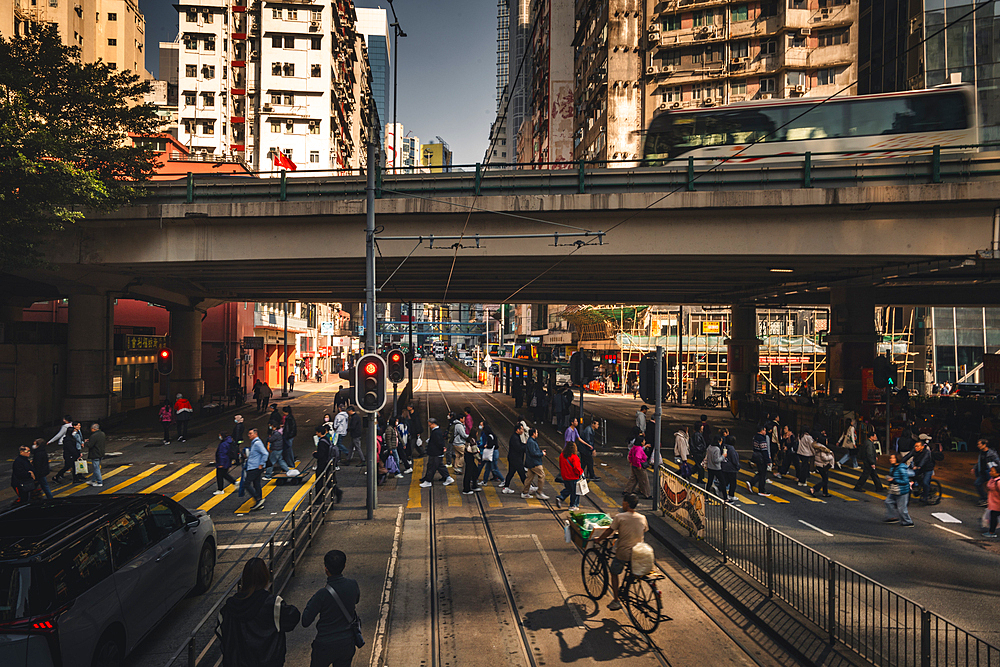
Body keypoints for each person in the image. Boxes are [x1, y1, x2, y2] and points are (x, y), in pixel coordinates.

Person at [219, 557, 300, 667]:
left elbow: (223, 635)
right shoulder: (272, 604)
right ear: (265, 577)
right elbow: (293, 617)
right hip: (269, 661)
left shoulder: (230, 607)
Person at [302, 550, 362, 667]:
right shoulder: (353, 584)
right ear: (344, 566)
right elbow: (356, 600)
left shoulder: (322, 594)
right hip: (346, 643)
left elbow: (305, 620)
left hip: (324, 646)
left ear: (326, 568)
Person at [594, 493, 649, 611]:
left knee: (614, 572)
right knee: (631, 572)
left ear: (626, 503)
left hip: (624, 553)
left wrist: (599, 539)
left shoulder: (620, 517)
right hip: (639, 553)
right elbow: (642, 530)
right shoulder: (642, 517)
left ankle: (616, 601)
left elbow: (609, 531)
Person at [419, 418, 454, 487]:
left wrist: (442, 448)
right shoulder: (437, 431)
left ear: (433, 424)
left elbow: (439, 442)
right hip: (436, 452)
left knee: (432, 467)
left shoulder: (436, 432)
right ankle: (448, 478)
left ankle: (428, 481)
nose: (429, 427)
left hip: (435, 453)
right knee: (439, 466)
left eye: (430, 425)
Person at [884, 453, 914, 527]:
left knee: (902, 508)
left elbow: (905, 481)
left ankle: (908, 522)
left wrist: (894, 480)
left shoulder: (901, 468)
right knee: (888, 502)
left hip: (902, 490)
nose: (890, 459)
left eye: (892, 458)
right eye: (890, 458)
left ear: (897, 459)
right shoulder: (893, 467)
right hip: (894, 490)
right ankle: (893, 517)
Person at [902, 435, 935, 503]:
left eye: (917, 446)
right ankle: (918, 488)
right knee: (913, 477)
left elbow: (924, 460)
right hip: (918, 467)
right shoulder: (914, 450)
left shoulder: (927, 452)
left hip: (927, 469)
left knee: (925, 482)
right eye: (915, 446)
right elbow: (908, 456)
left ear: (922, 447)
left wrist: (919, 466)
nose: (916, 448)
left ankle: (925, 497)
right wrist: (899, 463)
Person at [522, 428, 550, 500]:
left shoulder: (531, 441)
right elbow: (533, 453)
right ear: (534, 434)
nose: (537, 434)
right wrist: (541, 453)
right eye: (537, 432)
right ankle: (539, 492)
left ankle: (525, 492)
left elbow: (534, 451)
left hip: (531, 462)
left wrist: (540, 451)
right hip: (535, 463)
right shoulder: (531, 442)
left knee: (529, 478)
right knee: (542, 476)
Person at [245, 429, 268, 511]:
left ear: (255, 434)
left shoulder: (257, 443)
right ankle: (259, 503)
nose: (249, 435)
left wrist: (261, 464)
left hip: (254, 467)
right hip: (254, 467)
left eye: (250, 433)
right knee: (256, 484)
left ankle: (258, 499)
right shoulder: (255, 443)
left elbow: (265, 453)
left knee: (246, 483)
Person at [556, 441, 583, 510]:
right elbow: (577, 468)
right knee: (575, 492)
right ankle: (573, 505)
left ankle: (561, 497)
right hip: (573, 477)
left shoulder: (562, 455)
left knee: (568, 489)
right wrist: (581, 473)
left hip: (565, 476)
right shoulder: (575, 457)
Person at [973, 439, 1000, 507]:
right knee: (977, 483)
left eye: (979, 444)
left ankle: (990, 500)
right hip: (983, 472)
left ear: (984, 445)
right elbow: (979, 461)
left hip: (990, 472)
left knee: (993, 487)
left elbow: (998, 463)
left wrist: (993, 470)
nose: (978, 446)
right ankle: (985, 498)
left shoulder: (992, 454)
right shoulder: (981, 452)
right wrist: (974, 468)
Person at [502, 422, 527, 494]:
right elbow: (519, 448)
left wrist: (525, 445)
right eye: (521, 429)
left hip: (513, 458)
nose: (522, 431)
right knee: (522, 473)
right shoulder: (514, 438)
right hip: (515, 459)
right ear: (517, 430)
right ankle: (528, 487)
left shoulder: (516, 436)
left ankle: (506, 487)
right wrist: (525, 446)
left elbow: (520, 445)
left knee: (511, 473)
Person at [624, 434, 651, 498]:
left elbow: (630, 455)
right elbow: (637, 457)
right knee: (644, 480)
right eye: (644, 441)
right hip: (639, 466)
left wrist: (631, 462)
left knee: (634, 479)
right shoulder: (639, 449)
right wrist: (638, 465)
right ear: (641, 442)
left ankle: (628, 490)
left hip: (633, 465)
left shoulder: (634, 447)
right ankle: (647, 494)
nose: (645, 442)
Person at [748, 424, 771, 497]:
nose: (765, 431)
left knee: (761, 473)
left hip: (756, 457)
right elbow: (764, 450)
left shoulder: (755, 437)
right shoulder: (762, 439)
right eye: (764, 430)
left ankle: (752, 483)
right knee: (763, 474)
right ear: (761, 430)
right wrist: (768, 461)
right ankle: (761, 490)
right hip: (762, 458)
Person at [461, 424, 481, 495]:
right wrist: (479, 459)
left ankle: (474, 485)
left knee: (474, 470)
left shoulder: (469, 439)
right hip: (470, 457)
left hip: (467, 456)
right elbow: (474, 451)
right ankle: (466, 489)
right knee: (468, 473)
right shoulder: (472, 440)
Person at [720, 435, 741, 501]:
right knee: (733, 483)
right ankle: (731, 495)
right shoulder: (732, 449)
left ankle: (719, 488)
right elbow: (734, 460)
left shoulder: (723, 447)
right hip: (731, 469)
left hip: (724, 467)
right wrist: (738, 466)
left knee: (725, 481)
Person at [86, 422, 106, 487]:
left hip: (95, 454)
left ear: (93, 429)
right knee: (96, 467)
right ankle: (93, 480)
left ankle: (100, 482)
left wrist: (85, 443)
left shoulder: (93, 436)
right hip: (101, 453)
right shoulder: (102, 434)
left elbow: (90, 445)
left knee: (96, 468)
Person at [983, 466, 1000, 537]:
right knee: (993, 516)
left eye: (993, 471)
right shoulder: (992, 479)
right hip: (993, 503)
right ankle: (991, 531)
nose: (990, 472)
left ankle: (991, 532)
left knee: (993, 517)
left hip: (997, 504)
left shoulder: (998, 482)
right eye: (990, 471)